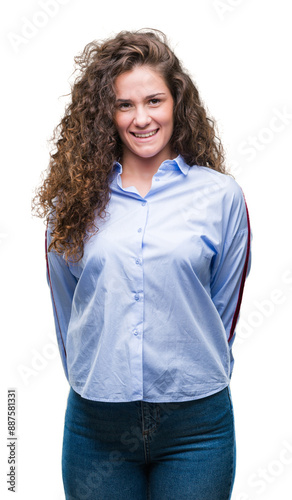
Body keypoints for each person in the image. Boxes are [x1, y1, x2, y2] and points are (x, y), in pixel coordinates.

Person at [32, 29, 252, 500]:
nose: (142, 118)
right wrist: (99, 375)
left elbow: (222, 310)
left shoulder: (220, 197)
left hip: (196, 427)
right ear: (105, 115)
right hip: (98, 427)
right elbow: (68, 309)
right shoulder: (72, 203)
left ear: (177, 102)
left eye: (154, 100)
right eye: (124, 105)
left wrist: (192, 366)